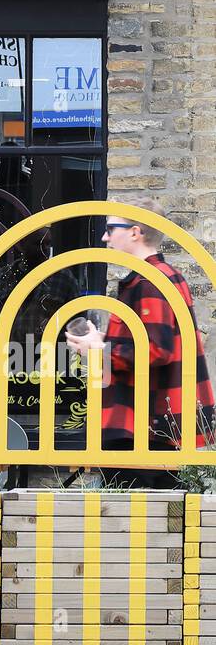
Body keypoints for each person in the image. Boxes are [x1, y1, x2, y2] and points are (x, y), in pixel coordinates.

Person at [65, 200, 216, 488]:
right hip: (152, 423)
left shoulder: (150, 281)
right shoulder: (156, 277)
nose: (104, 237)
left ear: (135, 232)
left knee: (135, 520)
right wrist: (101, 342)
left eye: (111, 228)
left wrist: (97, 349)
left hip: (143, 426)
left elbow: (157, 349)